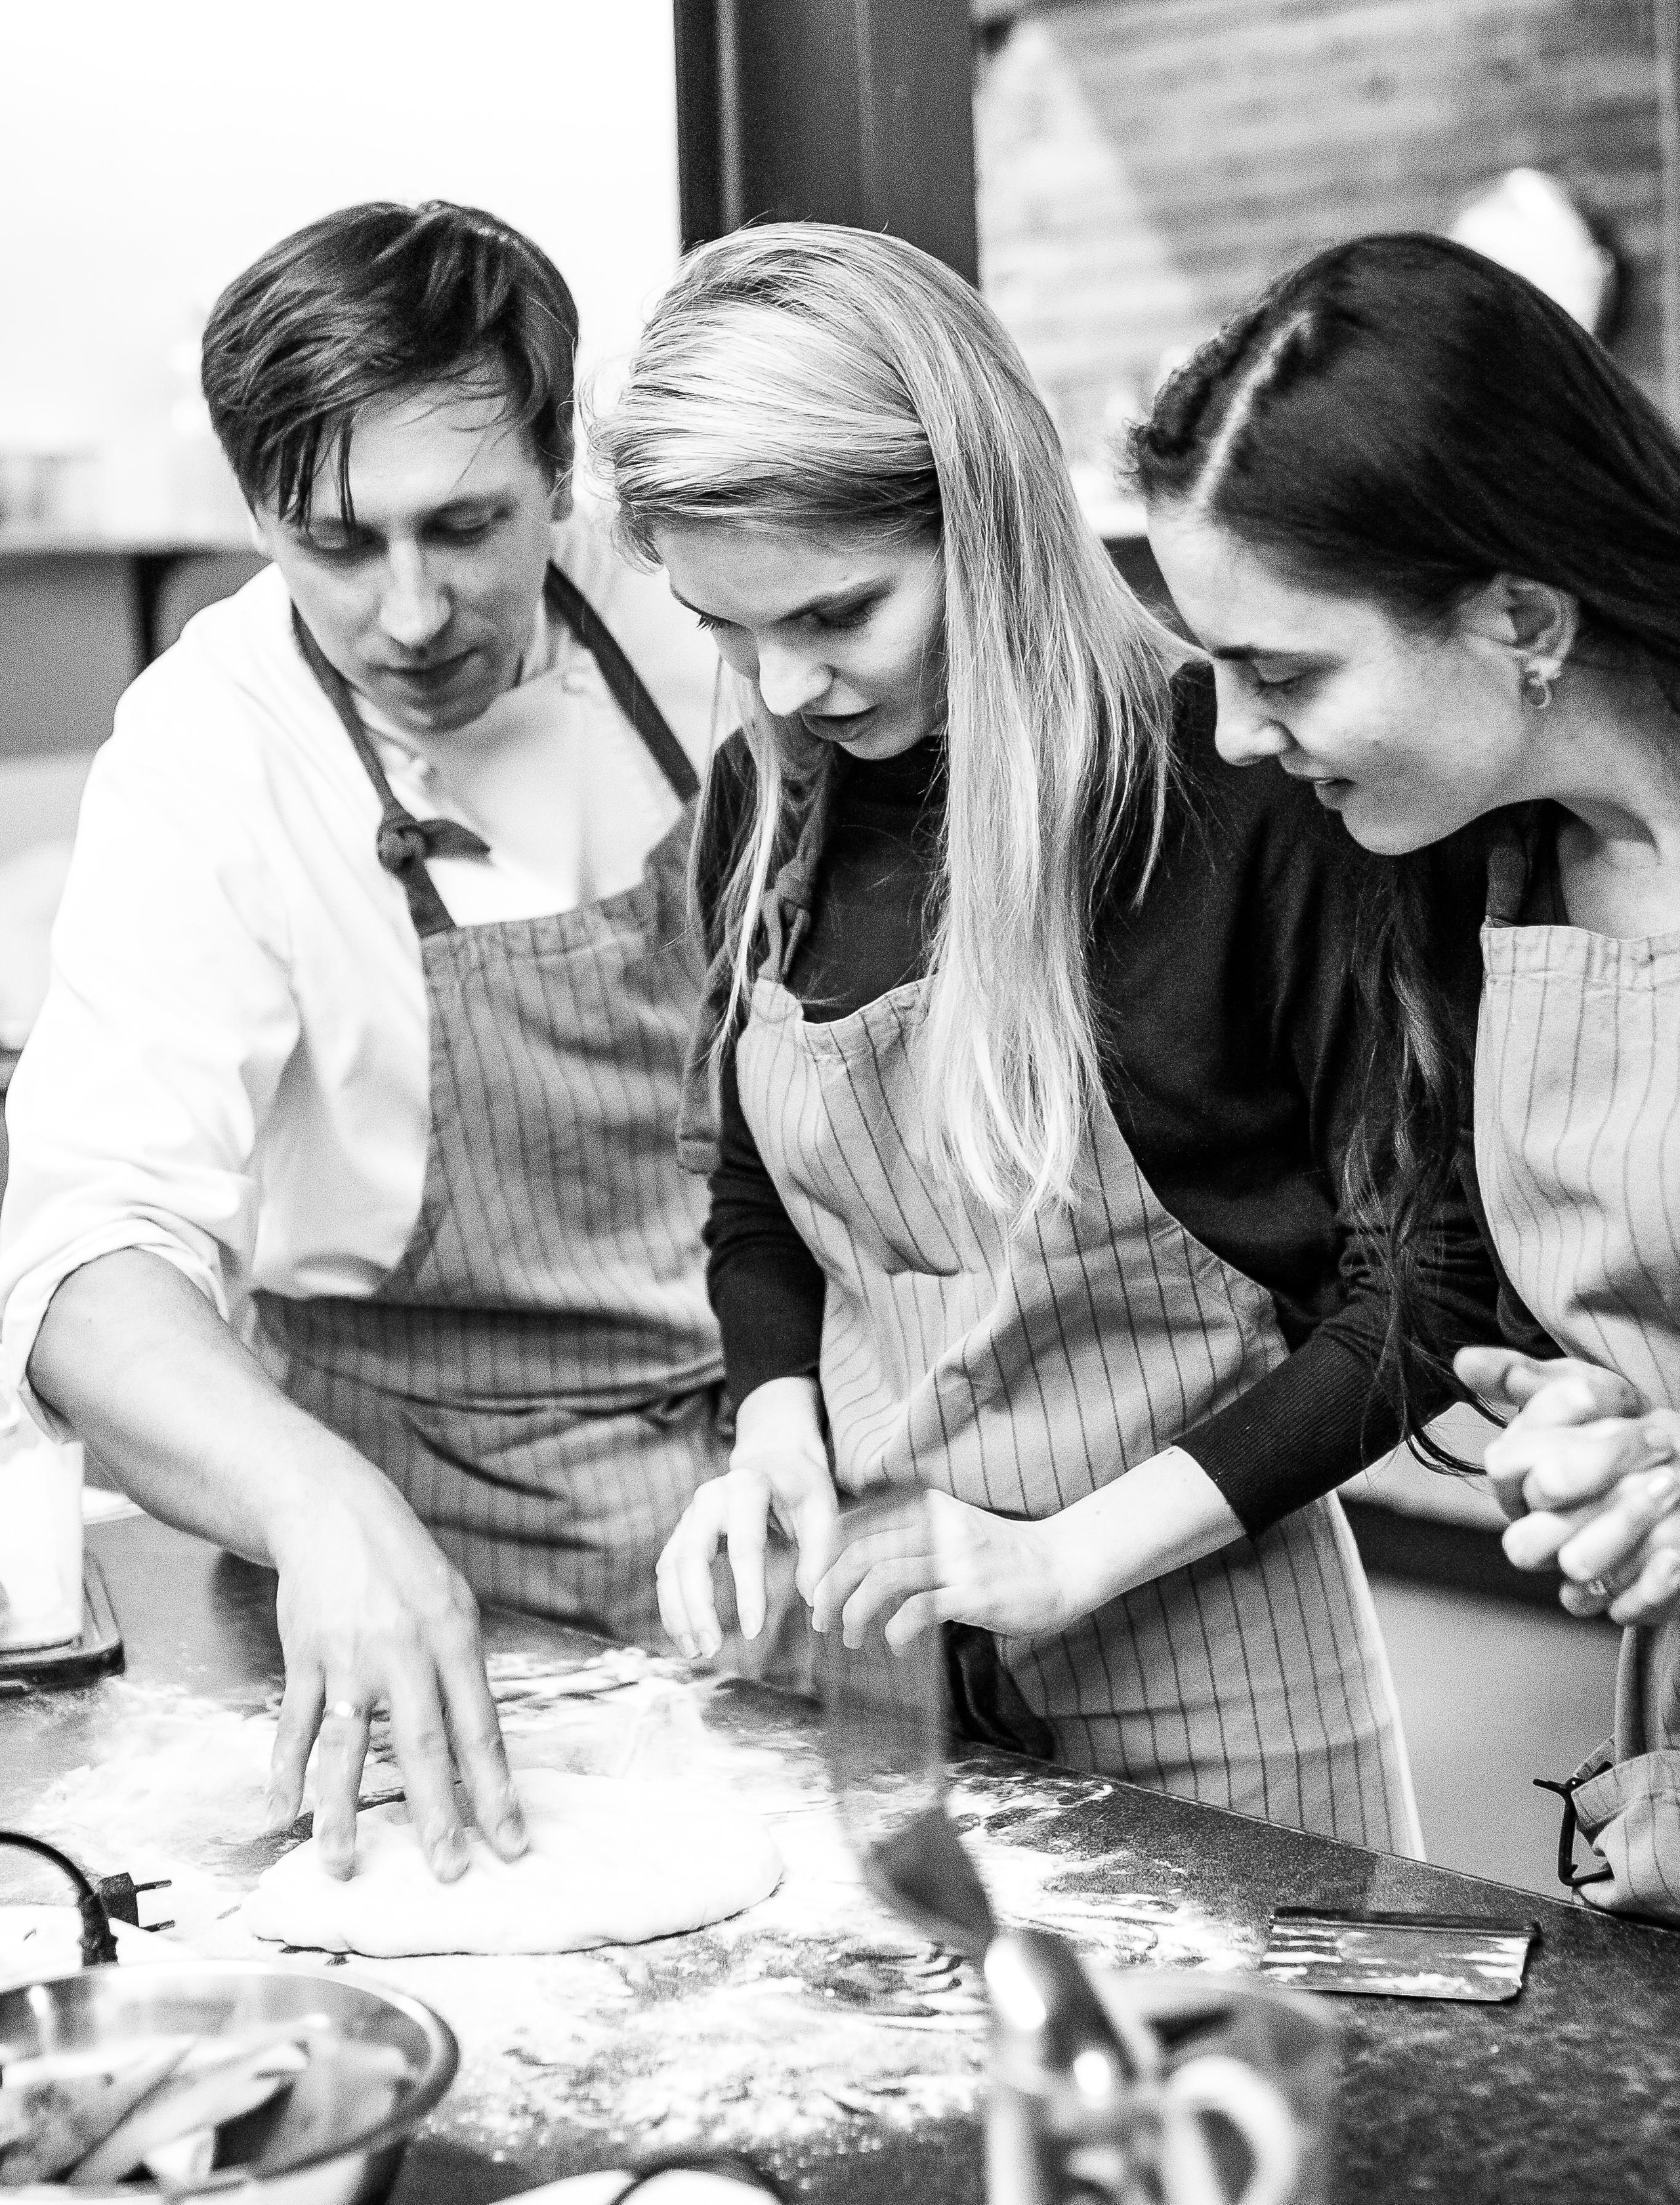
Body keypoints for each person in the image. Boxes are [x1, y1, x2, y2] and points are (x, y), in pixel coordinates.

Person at [593, 221, 1509, 1854]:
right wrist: (773, 1426)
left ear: (984, 518)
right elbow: (750, 1195)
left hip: (1209, 1683)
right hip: (881, 1663)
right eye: (723, 630)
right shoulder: (764, 803)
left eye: (836, 613)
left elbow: (1428, 1288)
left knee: (1238, 2114)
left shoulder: (1243, 790)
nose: (784, 686)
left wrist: (1063, 1556)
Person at [0, 201, 729, 1882]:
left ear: (563, 469)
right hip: (447, 1562)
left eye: (467, 526)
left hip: (787, 1486)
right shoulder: (209, 751)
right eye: (334, 546)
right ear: (258, 513)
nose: (410, 614)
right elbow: (86, 1257)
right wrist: (318, 1506)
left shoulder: (703, 618)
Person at [1132, 230, 1680, 1910]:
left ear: (1518, 614)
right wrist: (1602, 1412)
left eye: (1282, 673)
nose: (1229, 735)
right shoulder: (1497, 868)